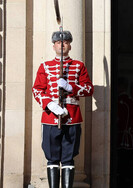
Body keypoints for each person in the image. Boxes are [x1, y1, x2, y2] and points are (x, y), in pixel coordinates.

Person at [32, 31, 94, 188]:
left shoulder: (79, 66)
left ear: (70, 46)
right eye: (59, 42)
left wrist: (69, 87)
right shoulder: (45, 66)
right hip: (51, 117)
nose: (62, 44)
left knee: (68, 158)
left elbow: (88, 89)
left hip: (72, 117)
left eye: (65, 42)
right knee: (52, 158)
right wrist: (50, 104)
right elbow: (37, 90)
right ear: (53, 46)